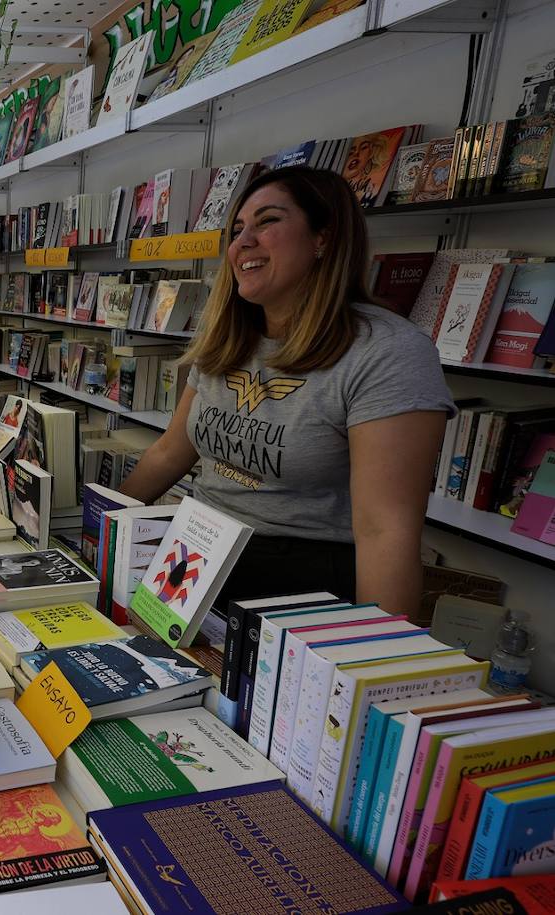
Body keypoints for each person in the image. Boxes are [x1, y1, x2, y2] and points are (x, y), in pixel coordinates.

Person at [118, 166, 455, 614]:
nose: (242, 243)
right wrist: (101, 529)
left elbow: (384, 531)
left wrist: (372, 661)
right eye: (237, 229)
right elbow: (169, 453)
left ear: (324, 239)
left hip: (298, 582)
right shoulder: (227, 335)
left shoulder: (388, 353)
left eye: (268, 221)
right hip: (192, 554)